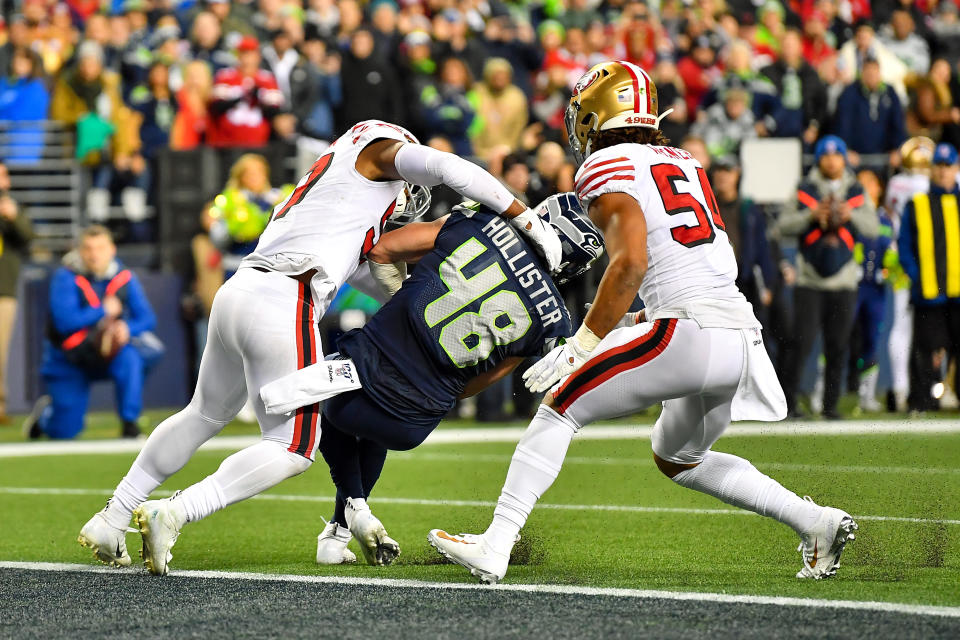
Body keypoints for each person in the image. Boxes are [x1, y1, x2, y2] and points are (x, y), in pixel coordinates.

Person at [429, 61, 857, 584]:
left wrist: (583, 344)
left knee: (560, 404)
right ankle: (815, 523)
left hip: (689, 331)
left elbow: (630, 262)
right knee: (680, 455)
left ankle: (496, 543)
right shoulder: (685, 161)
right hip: (739, 336)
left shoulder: (607, 164)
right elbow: (694, 257)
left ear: (598, 115)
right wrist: (643, 313)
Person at [77, 119, 563, 574]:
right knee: (293, 447)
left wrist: (407, 293)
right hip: (285, 296)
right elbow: (446, 166)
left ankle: (112, 517)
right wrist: (525, 217)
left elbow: (376, 258)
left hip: (242, 289)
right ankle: (177, 512)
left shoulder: (335, 187)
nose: (406, 196)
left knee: (203, 414)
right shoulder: (376, 152)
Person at [314, 194, 601, 565]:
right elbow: (476, 384)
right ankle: (335, 538)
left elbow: (383, 251)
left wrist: (404, 307)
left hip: (358, 382)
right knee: (373, 421)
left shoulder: (479, 223)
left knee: (320, 387)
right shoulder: (553, 320)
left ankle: (354, 508)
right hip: (413, 423)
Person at [23, 225, 159, 440]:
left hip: (105, 354)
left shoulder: (124, 276)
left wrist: (127, 328)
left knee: (134, 355)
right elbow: (64, 322)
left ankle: (130, 422)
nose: (94, 254)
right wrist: (102, 310)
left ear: (112, 250)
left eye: (100, 248)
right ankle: (46, 417)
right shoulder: (65, 276)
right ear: (79, 251)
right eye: (88, 248)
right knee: (65, 432)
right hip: (70, 359)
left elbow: (148, 318)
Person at [778, 135, 879, 419]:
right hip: (809, 280)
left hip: (844, 281)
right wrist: (810, 216)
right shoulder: (804, 188)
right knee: (801, 343)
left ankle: (830, 406)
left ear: (844, 158)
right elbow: (783, 226)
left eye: (836, 156)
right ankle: (789, 404)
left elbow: (872, 226)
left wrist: (850, 215)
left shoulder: (856, 189)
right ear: (819, 159)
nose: (831, 161)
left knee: (838, 346)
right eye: (826, 156)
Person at [898, 143, 960, 412]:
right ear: (931, 169)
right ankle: (921, 401)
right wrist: (916, 276)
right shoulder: (917, 203)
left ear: (956, 168)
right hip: (929, 292)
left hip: (958, 293)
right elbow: (904, 245)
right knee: (924, 349)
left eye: (948, 166)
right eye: (939, 166)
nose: (943, 171)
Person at [885, 136, 934, 411]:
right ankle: (935, 387)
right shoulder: (932, 183)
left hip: (898, 255)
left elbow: (890, 213)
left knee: (901, 325)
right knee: (932, 324)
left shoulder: (896, 183)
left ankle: (901, 388)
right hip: (927, 259)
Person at [206, 36, 286, 148]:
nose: (247, 59)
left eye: (251, 54)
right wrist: (241, 97)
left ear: (258, 56)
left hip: (258, 142)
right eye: (244, 54)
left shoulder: (267, 79)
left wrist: (258, 98)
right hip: (227, 144)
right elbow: (216, 107)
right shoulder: (225, 76)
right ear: (238, 56)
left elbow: (275, 111)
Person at [0, 162, 33, 424]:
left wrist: (13, 217)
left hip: (3, 288)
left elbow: (28, 237)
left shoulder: (12, 208)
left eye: (4, 174)